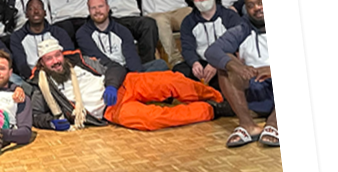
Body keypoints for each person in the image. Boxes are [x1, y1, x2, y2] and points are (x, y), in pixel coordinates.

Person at [33, 38, 225, 132]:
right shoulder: (40, 84)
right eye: (49, 59)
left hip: (124, 85)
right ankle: (210, 110)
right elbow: (35, 114)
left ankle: (219, 98)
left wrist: (111, 86)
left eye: (57, 55)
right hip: (110, 110)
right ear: (42, 62)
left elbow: (114, 67)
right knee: (152, 120)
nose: (56, 61)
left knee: (171, 80)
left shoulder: (78, 60)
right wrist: (50, 123)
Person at [205, 0, 276, 148]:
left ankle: (275, 123)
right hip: (255, 88)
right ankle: (248, 125)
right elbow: (212, 51)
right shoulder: (243, 28)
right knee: (225, 63)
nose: (257, 8)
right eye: (251, 5)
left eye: (261, 3)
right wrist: (237, 67)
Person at [76, 0, 169, 73]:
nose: (97, 11)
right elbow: (99, 59)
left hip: (127, 71)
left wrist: (136, 75)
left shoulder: (121, 30)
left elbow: (131, 57)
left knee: (160, 64)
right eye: (93, 8)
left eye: (101, 6)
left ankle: (137, 83)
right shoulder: (82, 34)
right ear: (89, 11)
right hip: (105, 73)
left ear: (108, 8)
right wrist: (119, 74)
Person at [176, 0, 242, 88]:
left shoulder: (230, 16)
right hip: (202, 62)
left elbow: (236, 44)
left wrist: (217, 63)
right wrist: (194, 63)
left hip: (225, 61)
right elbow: (187, 47)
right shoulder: (188, 21)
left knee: (230, 74)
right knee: (179, 72)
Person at [9, 0, 73, 79]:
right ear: (26, 14)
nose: (36, 11)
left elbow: (69, 55)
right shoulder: (17, 37)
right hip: (32, 78)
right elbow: (22, 65)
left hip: (59, 73)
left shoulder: (59, 32)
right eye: (31, 9)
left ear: (45, 13)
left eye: (39, 8)